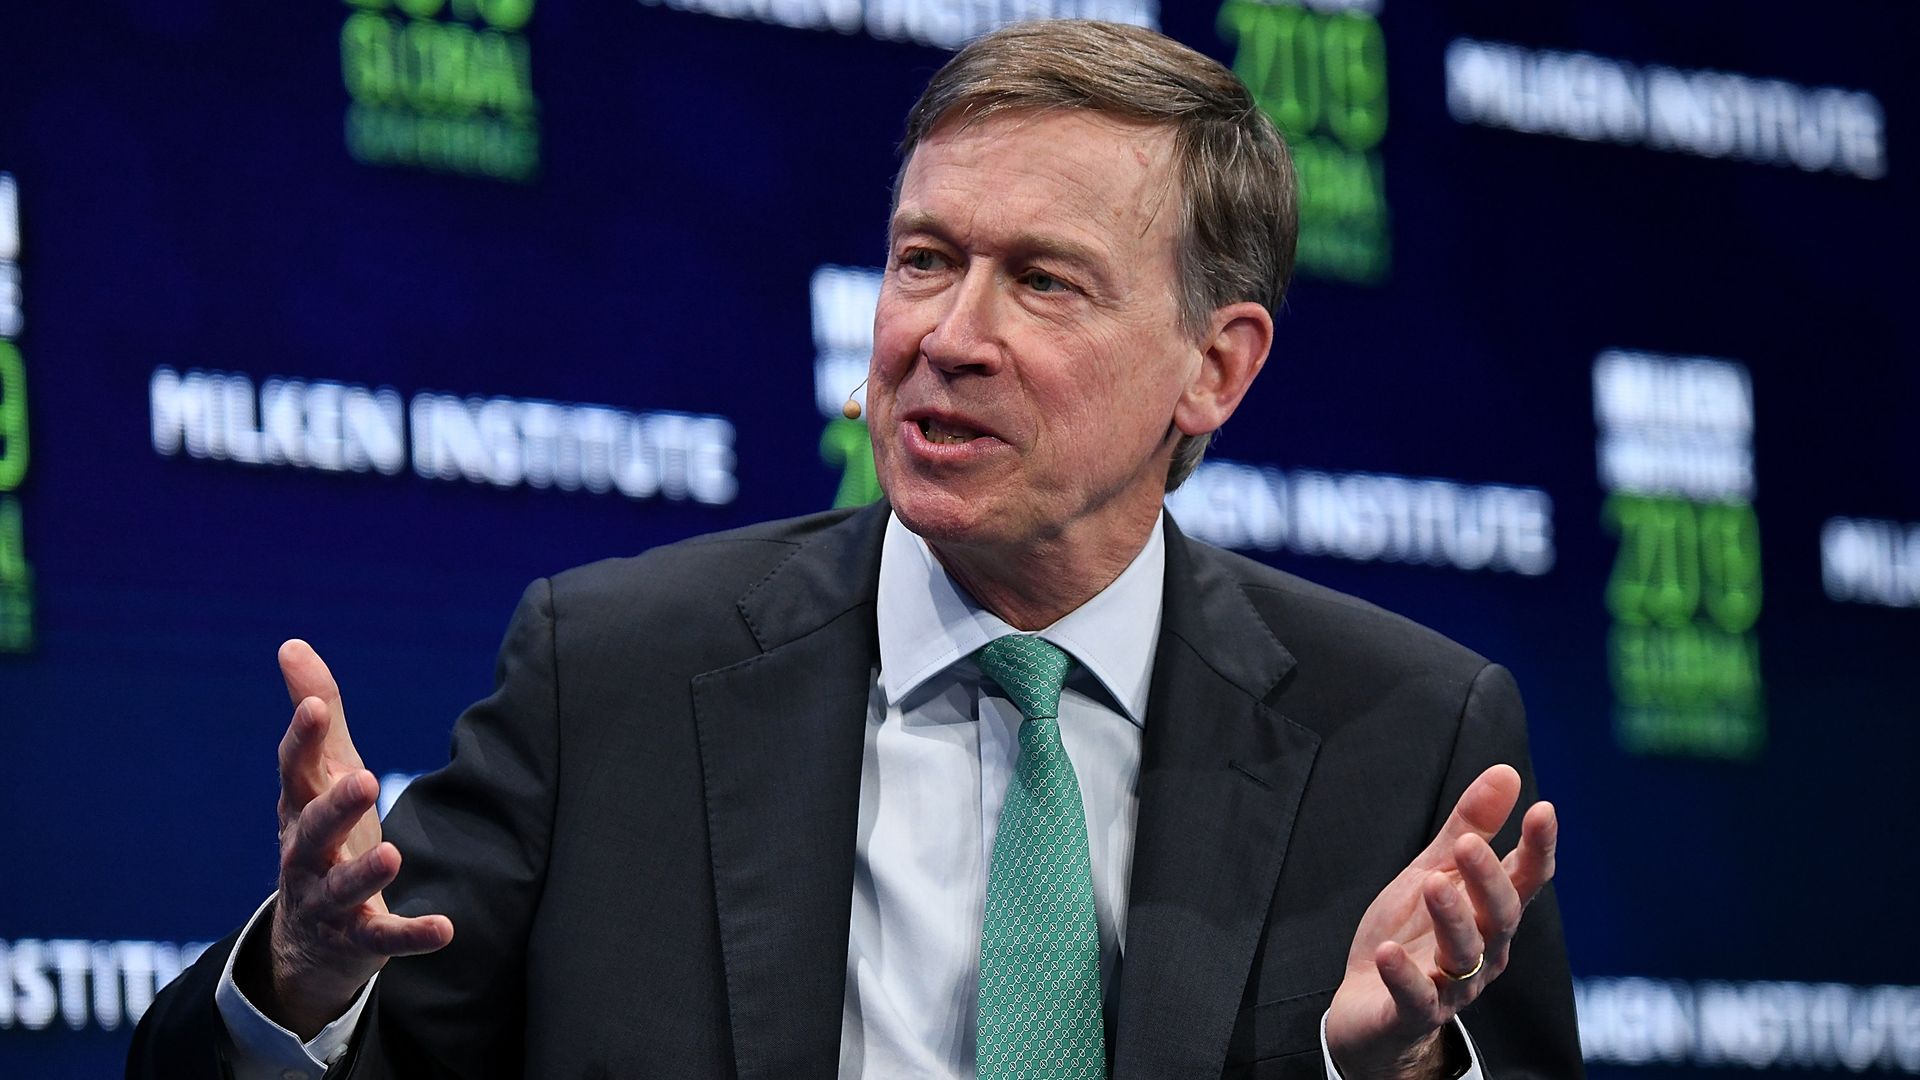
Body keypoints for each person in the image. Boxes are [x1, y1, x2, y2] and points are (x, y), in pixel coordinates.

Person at [129, 19, 1580, 1080]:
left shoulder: (1406, 734)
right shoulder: (614, 673)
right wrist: (304, 979)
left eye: (1044, 281)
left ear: (1215, 366)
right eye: (925, 259)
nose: (948, 336)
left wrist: (1391, 1074)